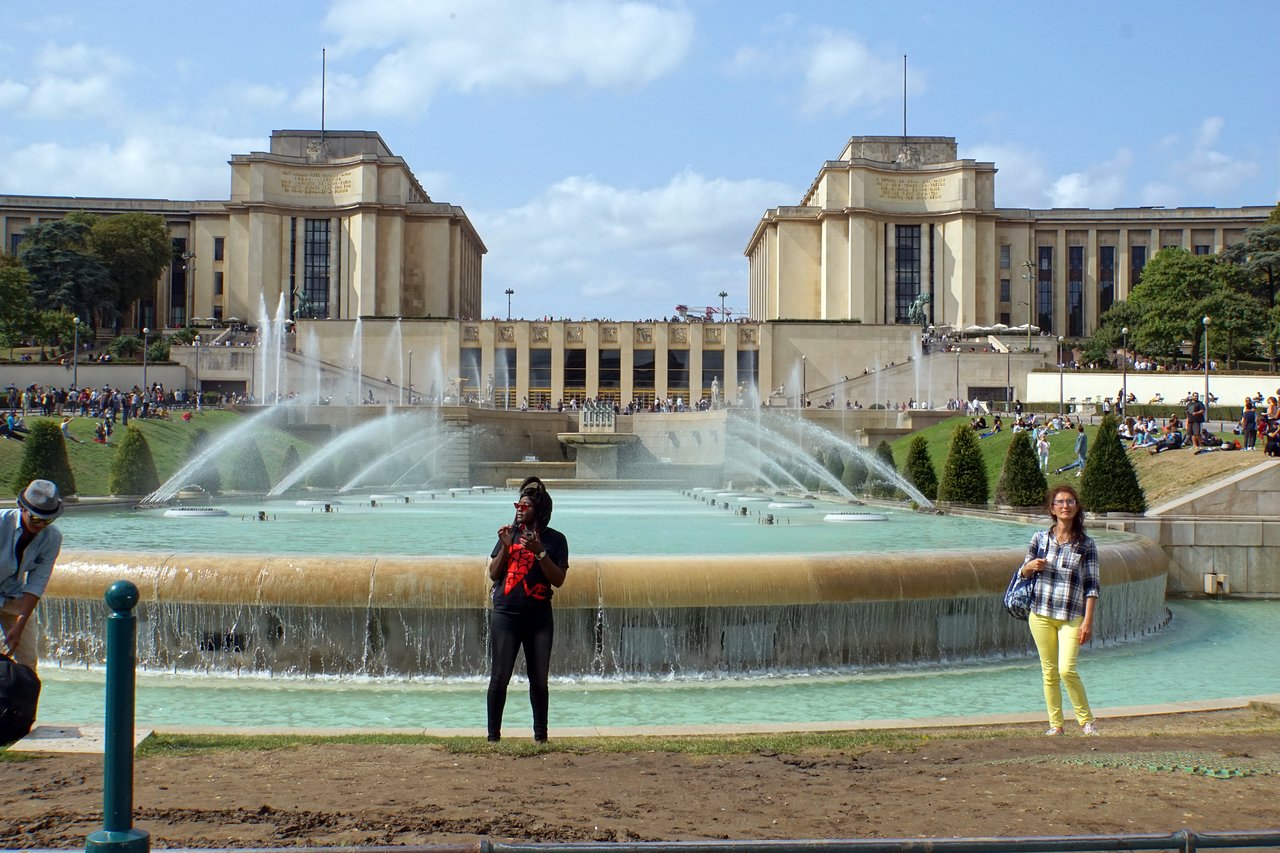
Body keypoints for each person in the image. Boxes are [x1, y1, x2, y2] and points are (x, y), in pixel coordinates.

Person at [486, 476, 569, 743]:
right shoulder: (509, 536)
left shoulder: (556, 540)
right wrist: (507, 548)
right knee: (499, 678)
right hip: (506, 615)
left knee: (539, 680)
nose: (519, 509)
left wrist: (541, 552)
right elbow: (493, 573)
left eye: (526, 506)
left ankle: (541, 737)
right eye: (518, 505)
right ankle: (493, 738)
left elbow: (558, 579)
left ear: (540, 510)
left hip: (538, 618)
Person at [1016, 484, 1100, 737]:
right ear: (1052, 509)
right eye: (1060, 502)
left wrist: (1088, 621)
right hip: (1040, 614)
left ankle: (1086, 721)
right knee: (1049, 672)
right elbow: (1022, 572)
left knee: (1066, 669)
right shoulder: (1039, 539)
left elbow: (1092, 586)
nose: (1066, 506)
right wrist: (1030, 565)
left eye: (1070, 501)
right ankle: (1056, 725)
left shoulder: (1086, 544)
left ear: (1077, 507)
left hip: (1071, 616)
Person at [1, 480, 65, 670]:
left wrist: (20, 625)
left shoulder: (52, 538)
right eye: (36, 518)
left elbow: (36, 584)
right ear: (22, 507)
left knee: (28, 662)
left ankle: (25, 699)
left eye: (48, 520)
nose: (41, 524)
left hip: (14, 597)